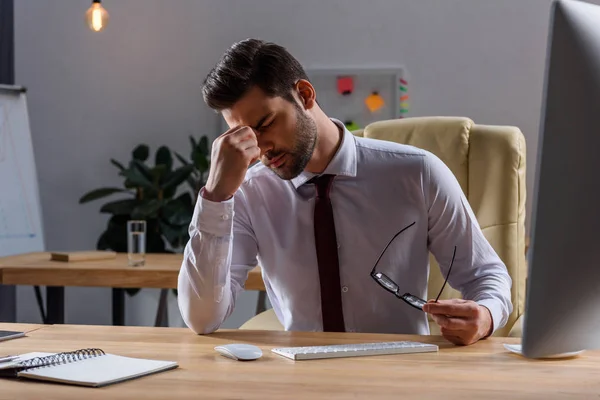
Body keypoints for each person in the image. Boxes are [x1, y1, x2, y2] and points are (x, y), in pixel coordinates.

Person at [177, 38, 513, 345]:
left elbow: (487, 276)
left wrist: (484, 316)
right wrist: (216, 197)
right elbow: (202, 319)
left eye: (265, 125)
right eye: (244, 135)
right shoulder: (249, 194)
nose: (261, 148)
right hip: (299, 379)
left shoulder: (418, 173)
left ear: (305, 95)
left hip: (401, 372)